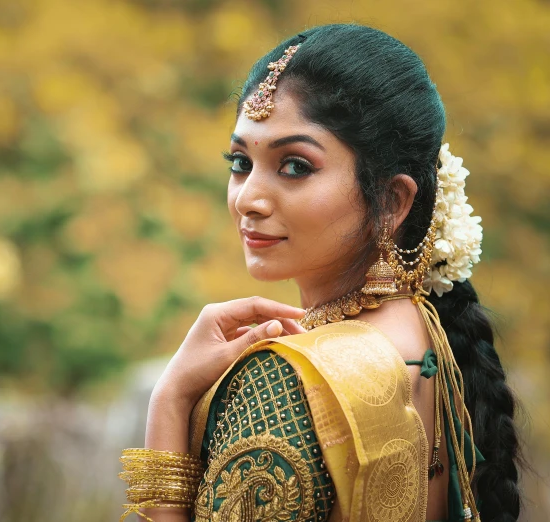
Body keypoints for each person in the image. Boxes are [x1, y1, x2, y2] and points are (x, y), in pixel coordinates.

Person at [118, 24, 521, 522]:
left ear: (392, 201)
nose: (248, 198)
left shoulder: (287, 382)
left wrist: (170, 400)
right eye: (240, 161)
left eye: (295, 166)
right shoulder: (433, 335)